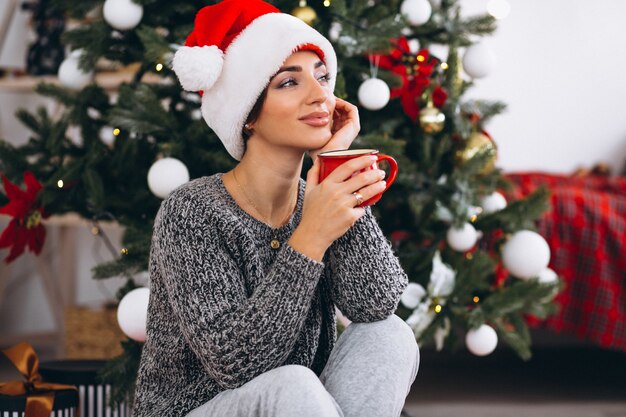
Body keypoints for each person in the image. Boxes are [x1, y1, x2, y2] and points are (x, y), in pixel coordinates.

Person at [132, 1, 419, 416]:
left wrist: (336, 168)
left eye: (322, 78)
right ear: (247, 113)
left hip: (300, 405)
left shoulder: (315, 196)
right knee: (292, 382)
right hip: (200, 407)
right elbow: (236, 364)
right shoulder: (192, 212)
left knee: (390, 333)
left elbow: (374, 305)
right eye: (289, 82)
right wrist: (311, 238)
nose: (320, 94)